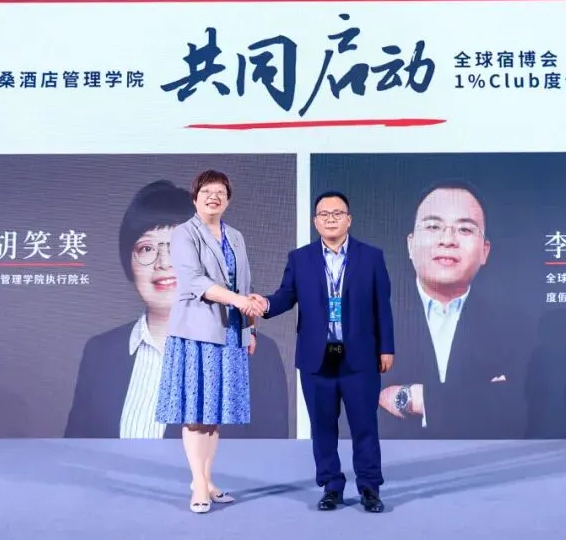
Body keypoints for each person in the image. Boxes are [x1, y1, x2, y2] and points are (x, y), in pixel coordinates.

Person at [63, 180, 288, 440]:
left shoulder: (254, 355)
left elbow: (270, 457)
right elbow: (76, 453)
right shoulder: (100, 352)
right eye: (147, 248)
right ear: (129, 263)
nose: (164, 263)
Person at [254, 191, 394, 513]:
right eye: (324, 214)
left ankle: (370, 488)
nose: (331, 219)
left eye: (337, 213)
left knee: (365, 426)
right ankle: (331, 487)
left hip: (360, 358)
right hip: (316, 359)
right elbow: (286, 296)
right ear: (315, 221)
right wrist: (264, 305)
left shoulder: (371, 257)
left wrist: (386, 347)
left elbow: (382, 306)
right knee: (322, 427)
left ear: (349, 219)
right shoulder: (300, 258)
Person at [377, 180, 531, 439]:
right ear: (410, 245)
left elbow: (516, 415)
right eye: (433, 226)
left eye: (464, 229)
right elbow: (351, 414)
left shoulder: (518, 327)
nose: (447, 240)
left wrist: (415, 399)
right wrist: (479, 400)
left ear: (484, 251)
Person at [154, 170, 267, 514]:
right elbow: (195, 282)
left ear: (228, 200)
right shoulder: (183, 234)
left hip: (230, 332)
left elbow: (245, 283)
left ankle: (205, 479)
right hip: (196, 333)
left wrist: (249, 329)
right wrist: (239, 301)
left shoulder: (235, 236)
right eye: (206, 191)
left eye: (220, 192)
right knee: (195, 414)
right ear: (195, 198)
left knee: (213, 413)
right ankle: (199, 485)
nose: (213, 197)